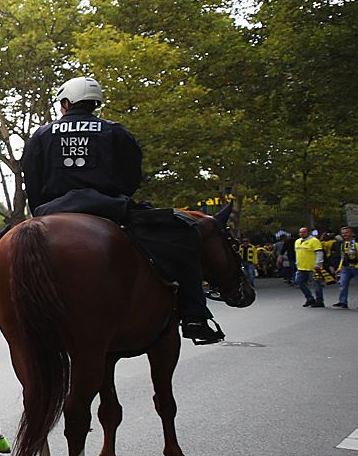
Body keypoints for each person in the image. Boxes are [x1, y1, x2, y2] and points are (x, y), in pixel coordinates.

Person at [20, 76, 219, 344]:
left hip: (52, 209)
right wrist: (118, 197)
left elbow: (31, 177)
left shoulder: (42, 134)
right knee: (185, 233)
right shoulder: (114, 131)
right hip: (108, 207)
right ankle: (195, 316)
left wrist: (39, 213)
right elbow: (132, 176)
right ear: (93, 104)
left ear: (66, 103)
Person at [331, 227, 358, 310]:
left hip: (357, 267)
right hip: (346, 267)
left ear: (351, 233)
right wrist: (340, 267)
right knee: (342, 284)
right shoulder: (343, 244)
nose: (345, 234)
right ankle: (343, 302)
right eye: (343, 233)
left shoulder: (357, 243)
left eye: (347, 232)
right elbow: (343, 257)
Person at [293, 226, 326, 307]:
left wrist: (318, 264)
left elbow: (319, 253)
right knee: (299, 282)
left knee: (316, 284)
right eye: (300, 232)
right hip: (301, 267)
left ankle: (319, 301)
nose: (302, 233)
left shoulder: (314, 241)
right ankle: (309, 298)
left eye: (304, 232)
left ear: (308, 232)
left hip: (313, 267)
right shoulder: (297, 241)